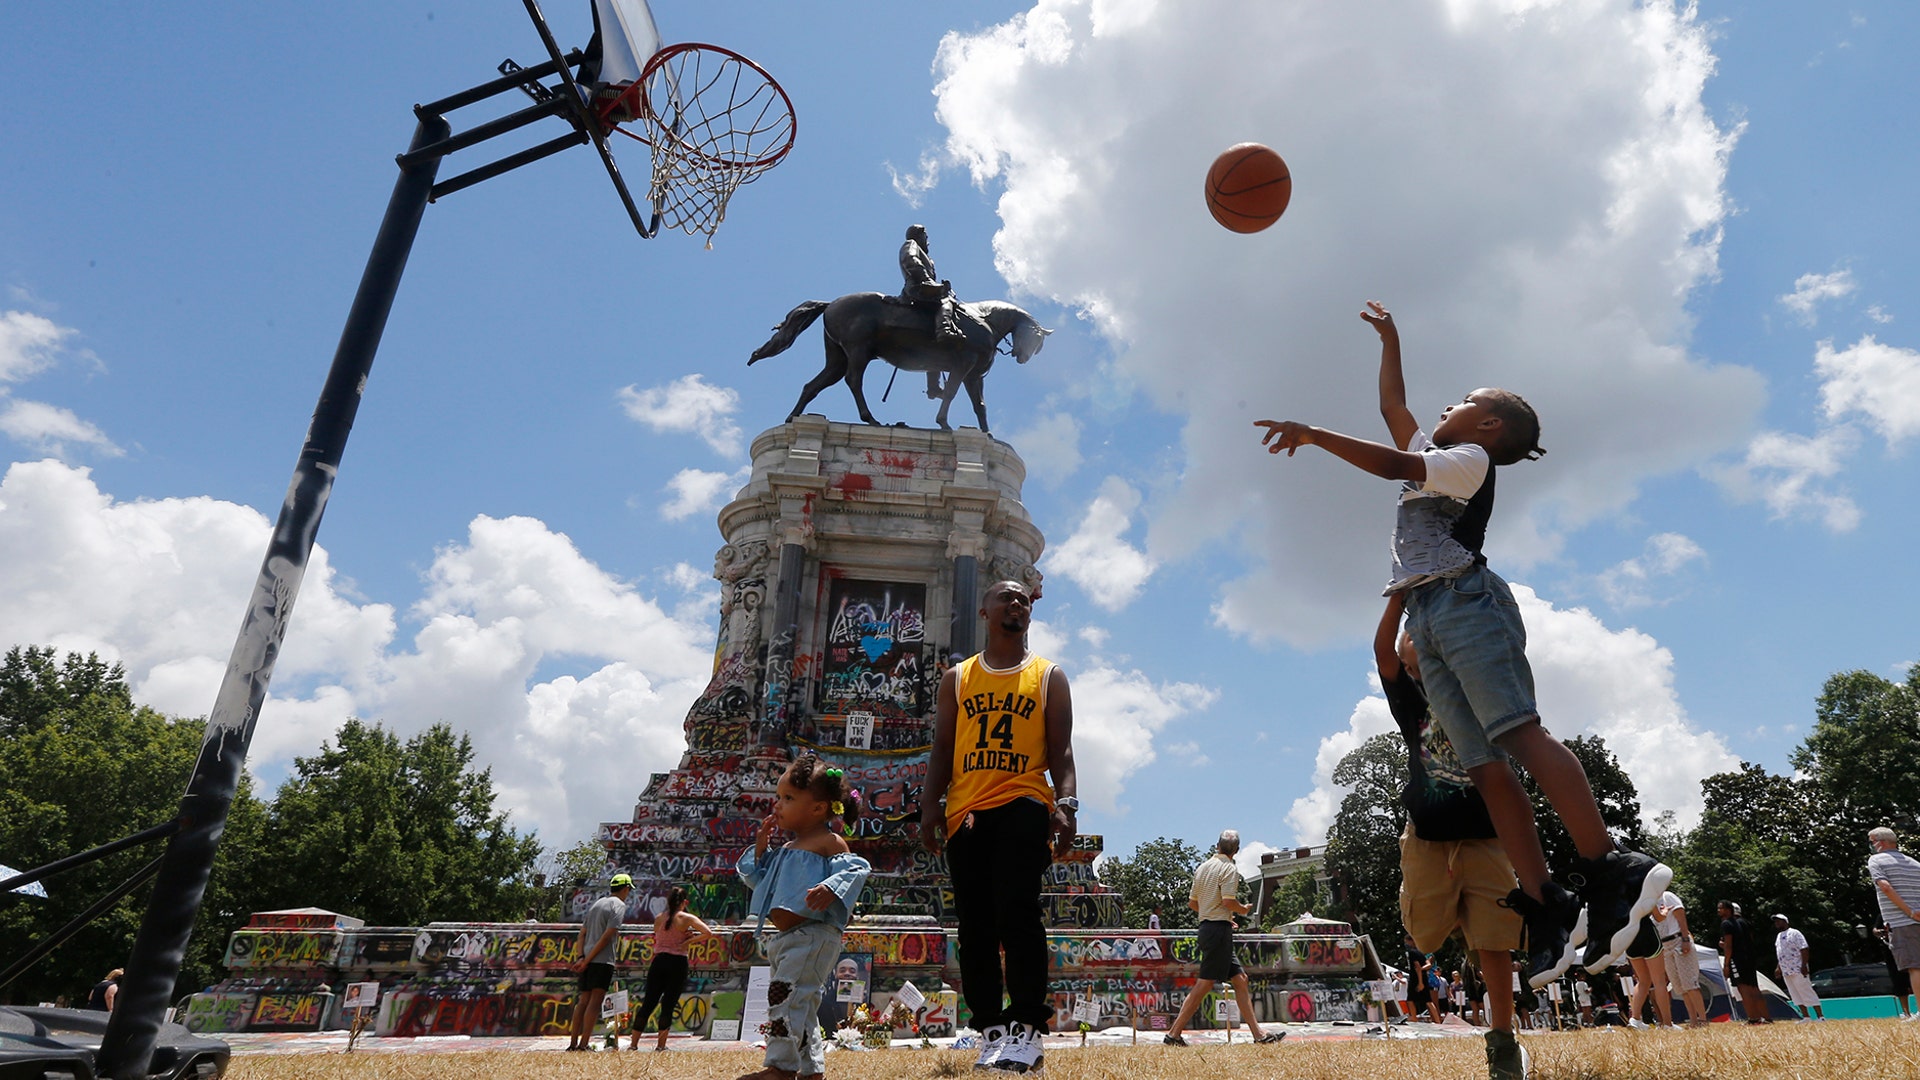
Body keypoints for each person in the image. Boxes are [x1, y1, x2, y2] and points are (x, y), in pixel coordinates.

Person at [1256, 301, 1670, 991]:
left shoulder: (1469, 459)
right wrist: (1390, 340)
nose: (1448, 405)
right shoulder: (1449, 452)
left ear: (1488, 425)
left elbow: (1394, 462)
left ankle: (1611, 865)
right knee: (1482, 765)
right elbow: (1393, 405)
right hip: (1430, 610)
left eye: (1465, 400)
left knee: (1521, 731)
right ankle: (1545, 900)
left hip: (1467, 601)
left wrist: (1313, 433)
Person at [922, 578, 1080, 1074]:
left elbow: (1062, 751)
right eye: (1004, 597)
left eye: (1021, 598)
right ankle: (990, 1029)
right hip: (966, 810)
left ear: (1029, 613)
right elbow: (944, 748)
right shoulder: (959, 678)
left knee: (1017, 911)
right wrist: (930, 807)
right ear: (984, 612)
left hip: (1025, 798)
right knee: (975, 925)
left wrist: (1067, 804)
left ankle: (1027, 1029)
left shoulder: (1048, 676)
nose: (1015, 603)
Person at [1375, 592, 1525, 1076]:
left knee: (1495, 939)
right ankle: (1461, 920)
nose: (1416, 635)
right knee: (1424, 931)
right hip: (1428, 838)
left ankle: (1502, 1040)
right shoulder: (1411, 697)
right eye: (1412, 634)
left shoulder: (1478, 690)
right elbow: (1382, 651)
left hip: (1485, 835)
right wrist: (1400, 595)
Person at [735, 752, 872, 1080]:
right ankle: (811, 1070)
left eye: (788, 798)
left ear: (818, 808)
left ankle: (780, 1067)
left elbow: (856, 870)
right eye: (778, 797)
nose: (778, 805)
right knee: (802, 1003)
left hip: (812, 934)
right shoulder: (787, 849)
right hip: (786, 939)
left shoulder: (829, 841)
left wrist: (831, 886)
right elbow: (758, 882)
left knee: (784, 997)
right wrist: (760, 849)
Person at [1163, 831, 1286, 1046]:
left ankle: (1259, 1035)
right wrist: (1244, 909)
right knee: (1204, 984)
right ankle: (1173, 1035)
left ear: (1217, 845)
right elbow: (1229, 901)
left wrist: (1216, 916)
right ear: (1236, 850)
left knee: (1240, 979)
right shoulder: (1229, 868)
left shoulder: (1202, 868)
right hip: (1218, 932)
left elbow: (1193, 903)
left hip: (1210, 928)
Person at [629, 885, 717, 1051]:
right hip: (677, 962)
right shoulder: (687, 918)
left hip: (659, 960)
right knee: (668, 1004)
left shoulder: (659, 918)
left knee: (648, 1003)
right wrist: (688, 941)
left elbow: (659, 935)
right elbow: (708, 932)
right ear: (685, 902)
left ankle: (633, 1044)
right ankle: (661, 1045)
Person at [567, 873, 632, 1051]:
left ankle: (573, 1043)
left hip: (586, 958)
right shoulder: (618, 905)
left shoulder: (597, 904)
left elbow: (582, 934)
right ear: (625, 889)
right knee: (595, 1002)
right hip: (602, 960)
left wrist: (581, 958)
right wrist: (588, 960)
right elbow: (607, 936)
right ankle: (583, 1044)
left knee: (583, 1001)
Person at [1867, 826, 1920, 1021]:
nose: (1871, 846)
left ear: (1880, 843)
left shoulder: (1876, 860)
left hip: (1903, 921)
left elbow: (1886, 887)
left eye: (1872, 842)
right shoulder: (1914, 862)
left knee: (1915, 967)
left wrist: (1910, 912)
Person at [1653, 890, 1710, 1027]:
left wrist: (1685, 938)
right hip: (1664, 946)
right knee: (1679, 986)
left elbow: (1681, 917)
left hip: (1678, 939)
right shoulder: (1648, 903)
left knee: (1689, 982)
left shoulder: (1667, 896)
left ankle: (1702, 1019)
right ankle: (1693, 1021)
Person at [1717, 901, 1769, 1024]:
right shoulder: (1743, 923)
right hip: (1749, 958)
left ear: (1729, 910)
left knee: (1743, 988)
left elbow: (1729, 945)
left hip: (1737, 959)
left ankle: (1753, 1018)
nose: (1718, 911)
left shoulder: (1726, 924)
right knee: (1754, 987)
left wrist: (1726, 964)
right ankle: (1766, 1017)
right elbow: (1748, 940)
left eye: (1721, 908)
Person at [1770, 914, 1823, 1021]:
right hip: (1786, 970)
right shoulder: (1779, 936)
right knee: (1795, 993)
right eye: (1775, 922)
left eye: (1779, 921)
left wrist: (1803, 965)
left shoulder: (1795, 933)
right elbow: (1781, 953)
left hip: (1798, 968)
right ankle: (1806, 1016)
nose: (1777, 923)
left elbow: (1804, 948)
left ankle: (1820, 1016)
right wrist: (1778, 967)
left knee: (1806, 991)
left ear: (1785, 921)